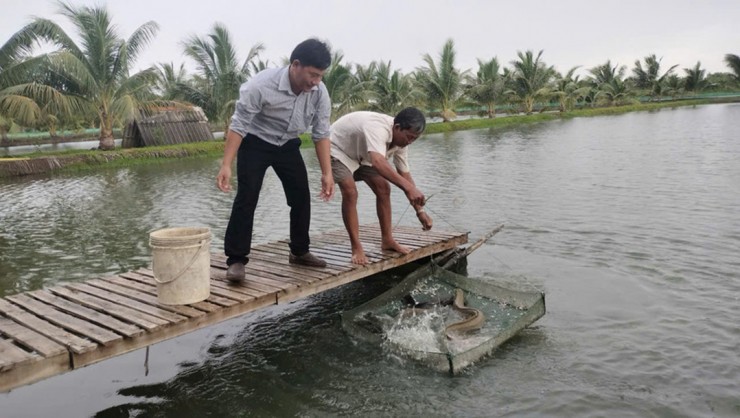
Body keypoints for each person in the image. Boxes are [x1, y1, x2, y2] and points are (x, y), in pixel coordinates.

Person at [216, 38, 334, 283]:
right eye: (312, 75)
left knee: (301, 196)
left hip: (288, 144)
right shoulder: (260, 85)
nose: (315, 82)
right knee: (247, 197)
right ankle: (236, 260)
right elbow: (238, 126)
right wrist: (226, 164)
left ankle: (299, 251)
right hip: (256, 143)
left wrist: (327, 172)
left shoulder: (319, 92)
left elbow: (321, 132)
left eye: (320, 76)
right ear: (296, 65)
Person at [329, 107, 433, 265]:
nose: (410, 142)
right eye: (409, 137)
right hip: (337, 149)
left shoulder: (402, 143)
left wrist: (420, 211)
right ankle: (356, 247)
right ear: (397, 127)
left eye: (414, 139)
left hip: (364, 155)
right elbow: (378, 162)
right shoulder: (378, 127)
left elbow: (404, 174)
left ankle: (387, 240)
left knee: (384, 188)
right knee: (350, 192)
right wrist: (409, 188)